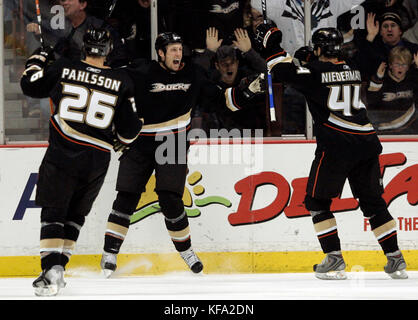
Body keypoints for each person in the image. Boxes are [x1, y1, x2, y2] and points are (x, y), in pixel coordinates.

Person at [100, 32, 265, 277]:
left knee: (171, 199)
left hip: (173, 142)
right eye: (172, 50)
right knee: (126, 197)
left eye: (179, 48)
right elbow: (112, 88)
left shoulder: (194, 75)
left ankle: (186, 251)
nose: (178, 53)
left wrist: (247, 93)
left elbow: (222, 100)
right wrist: (116, 131)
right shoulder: (142, 71)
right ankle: (109, 253)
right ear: (161, 54)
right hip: (141, 142)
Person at [257, 25, 408, 280]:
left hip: (337, 146)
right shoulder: (353, 67)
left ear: (319, 49)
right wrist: (303, 60)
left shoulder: (314, 72)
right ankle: (395, 259)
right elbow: (321, 71)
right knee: (373, 203)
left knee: (316, 202)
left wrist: (271, 43)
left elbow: (279, 70)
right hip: (367, 143)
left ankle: (334, 259)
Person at [20, 27, 142, 296]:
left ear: (84, 47)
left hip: (64, 150)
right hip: (98, 158)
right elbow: (129, 131)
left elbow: (29, 84)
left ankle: (52, 269)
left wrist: (39, 57)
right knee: (75, 216)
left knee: (53, 211)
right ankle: (57, 269)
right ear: (109, 49)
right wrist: (123, 139)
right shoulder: (122, 80)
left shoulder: (64, 68)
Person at [366, 46, 418, 134]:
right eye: (397, 64)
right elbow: (371, 103)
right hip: (384, 130)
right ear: (390, 65)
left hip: (409, 128)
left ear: (408, 67)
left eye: (404, 64)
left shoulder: (413, 80)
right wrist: (377, 79)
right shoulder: (381, 80)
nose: (400, 68)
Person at [358, 11, 418, 77]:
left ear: (400, 31)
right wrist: (370, 36)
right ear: (380, 32)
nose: (389, 29)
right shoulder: (373, 49)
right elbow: (361, 66)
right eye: (385, 26)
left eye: (393, 25)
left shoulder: (414, 50)